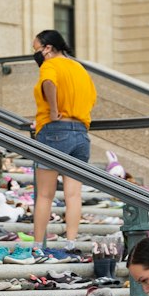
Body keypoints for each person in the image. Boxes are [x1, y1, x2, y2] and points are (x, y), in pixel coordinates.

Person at [30, 29, 97, 251]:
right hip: (80, 133)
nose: (36, 54)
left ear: (47, 48)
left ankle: (38, 245)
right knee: (73, 194)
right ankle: (70, 243)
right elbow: (92, 98)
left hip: (54, 131)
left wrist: (53, 111)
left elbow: (49, 83)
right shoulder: (79, 68)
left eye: (36, 49)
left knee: (45, 194)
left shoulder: (50, 65)